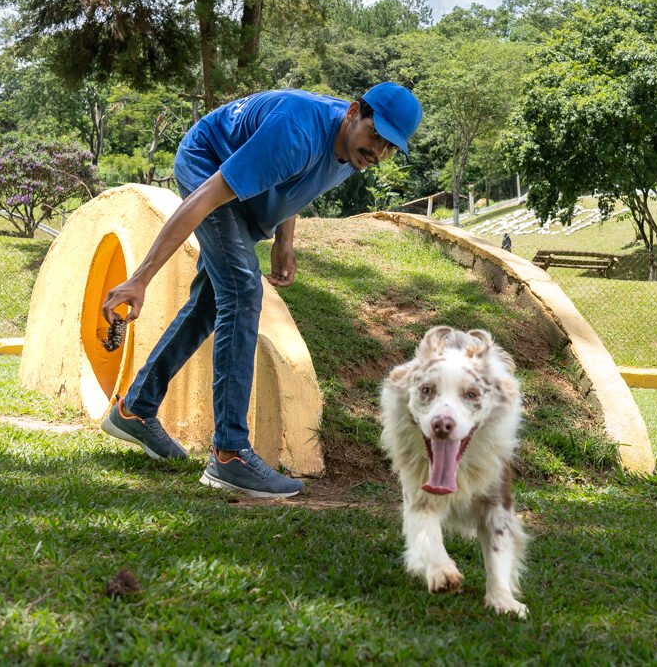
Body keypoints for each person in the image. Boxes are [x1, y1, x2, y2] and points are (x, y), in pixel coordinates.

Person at [99, 82, 422, 498]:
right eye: (376, 136)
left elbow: (298, 182)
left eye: (390, 147)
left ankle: (136, 408)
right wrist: (141, 277)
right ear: (354, 112)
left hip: (246, 188)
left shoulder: (351, 152)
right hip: (208, 164)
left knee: (211, 302)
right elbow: (204, 197)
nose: (378, 151)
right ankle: (229, 453)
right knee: (242, 291)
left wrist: (286, 242)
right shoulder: (297, 131)